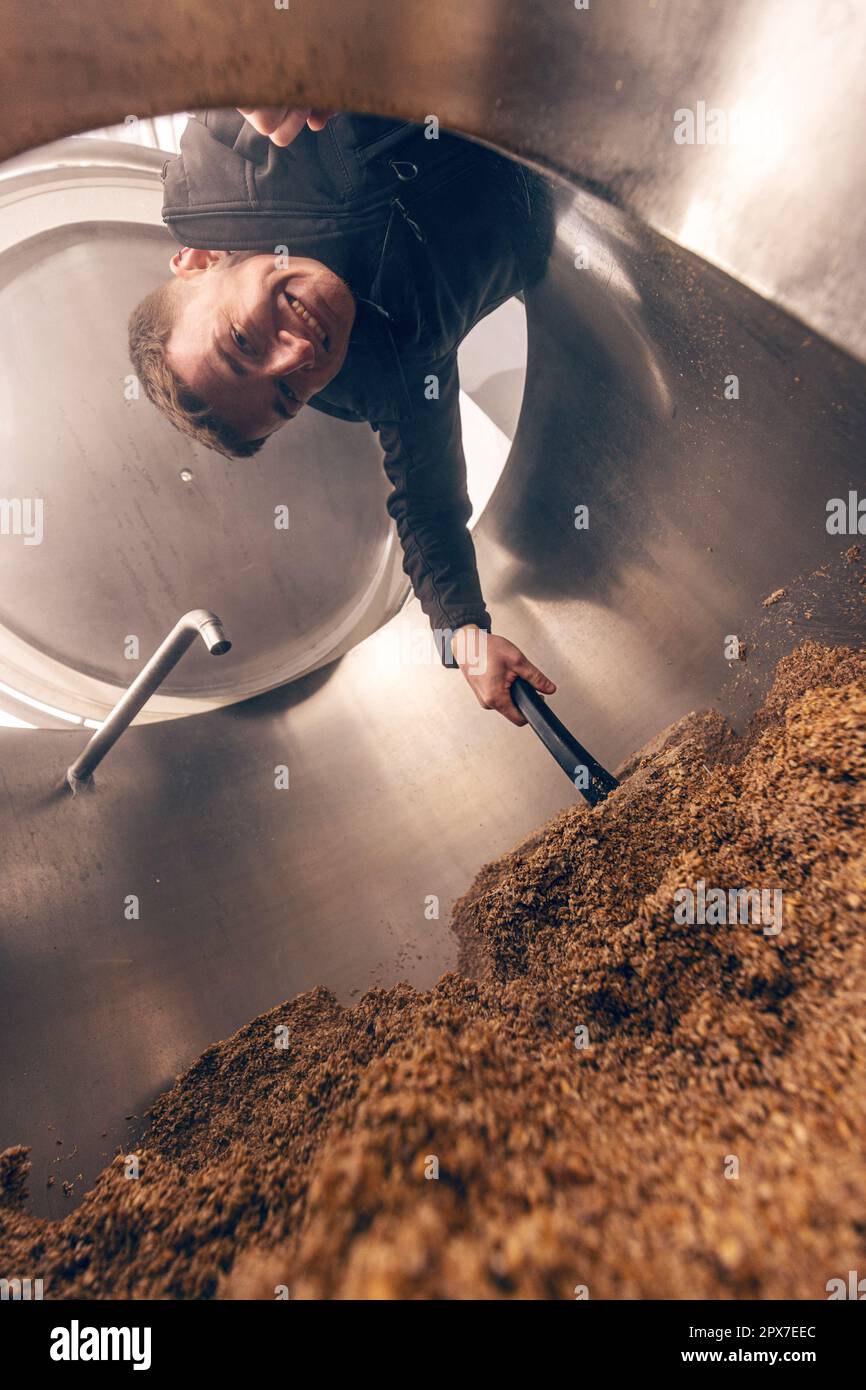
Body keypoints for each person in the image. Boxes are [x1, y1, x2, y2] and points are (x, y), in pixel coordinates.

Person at [129, 105, 556, 724]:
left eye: (242, 343)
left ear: (198, 260)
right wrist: (464, 639)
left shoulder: (232, 150)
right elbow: (425, 505)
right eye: (289, 394)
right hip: (577, 195)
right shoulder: (379, 375)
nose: (300, 351)